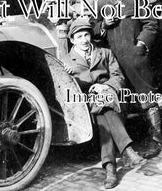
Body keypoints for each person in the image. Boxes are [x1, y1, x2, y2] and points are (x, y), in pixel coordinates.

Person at [61, 20, 145, 189]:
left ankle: (110, 169)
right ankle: (126, 150)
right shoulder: (66, 61)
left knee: (103, 107)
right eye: (79, 37)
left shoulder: (105, 53)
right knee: (102, 110)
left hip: (111, 95)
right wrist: (69, 76)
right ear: (72, 40)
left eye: (86, 35)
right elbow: (65, 89)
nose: (84, 40)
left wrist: (104, 85)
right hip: (86, 101)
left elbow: (119, 77)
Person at [94, 0, 161, 158]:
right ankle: (126, 144)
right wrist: (104, 24)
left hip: (136, 58)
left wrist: (141, 45)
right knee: (121, 101)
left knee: (147, 98)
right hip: (115, 62)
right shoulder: (101, 2)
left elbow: (150, 24)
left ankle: (155, 140)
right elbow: (95, 31)